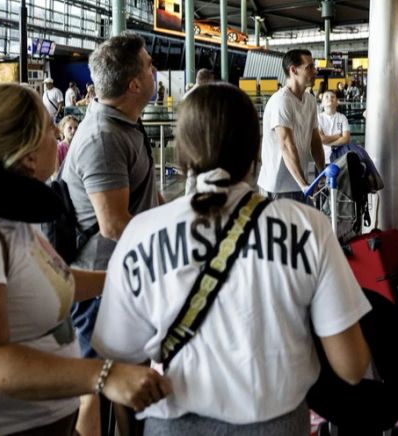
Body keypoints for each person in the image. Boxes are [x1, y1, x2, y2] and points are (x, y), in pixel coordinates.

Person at [91, 83, 371, 435]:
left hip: (170, 423)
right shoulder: (307, 226)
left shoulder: (140, 232)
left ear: (182, 152)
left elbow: (121, 360)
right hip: (277, 423)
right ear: (255, 150)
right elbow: (352, 366)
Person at [0, 83, 170, 435]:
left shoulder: (6, 216)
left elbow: (50, 279)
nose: (58, 135)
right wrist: (104, 375)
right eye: (51, 127)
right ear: (28, 154)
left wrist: (123, 279)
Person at [60, 32, 161, 435]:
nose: (155, 71)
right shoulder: (104, 136)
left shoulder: (125, 124)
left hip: (121, 277)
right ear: (135, 83)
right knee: (96, 387)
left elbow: (142, 200)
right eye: (150, 65)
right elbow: (114, 224)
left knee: (124, 378)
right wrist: (167, 250)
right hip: (98, 286)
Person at [258, 49, 325, 201]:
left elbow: (315, 140)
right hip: (278, 186)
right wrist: (303, 184)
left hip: (301, 183)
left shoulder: (310, 100)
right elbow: (286, 144)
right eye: (309, 67)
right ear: (294, 70)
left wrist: (322, 172)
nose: (315, 71)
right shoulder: (281, 101)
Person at [319, 90, 350, 162]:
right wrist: (337, 136)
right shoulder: (318, 118)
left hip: (341, 158)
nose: (330, 98)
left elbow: (346, 139)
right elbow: (320, 139)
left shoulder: (342, 117)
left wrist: (330, 144)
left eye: (333, 97)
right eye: (326, 97)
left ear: (337, 103)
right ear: (322, 103)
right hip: (322, 158)